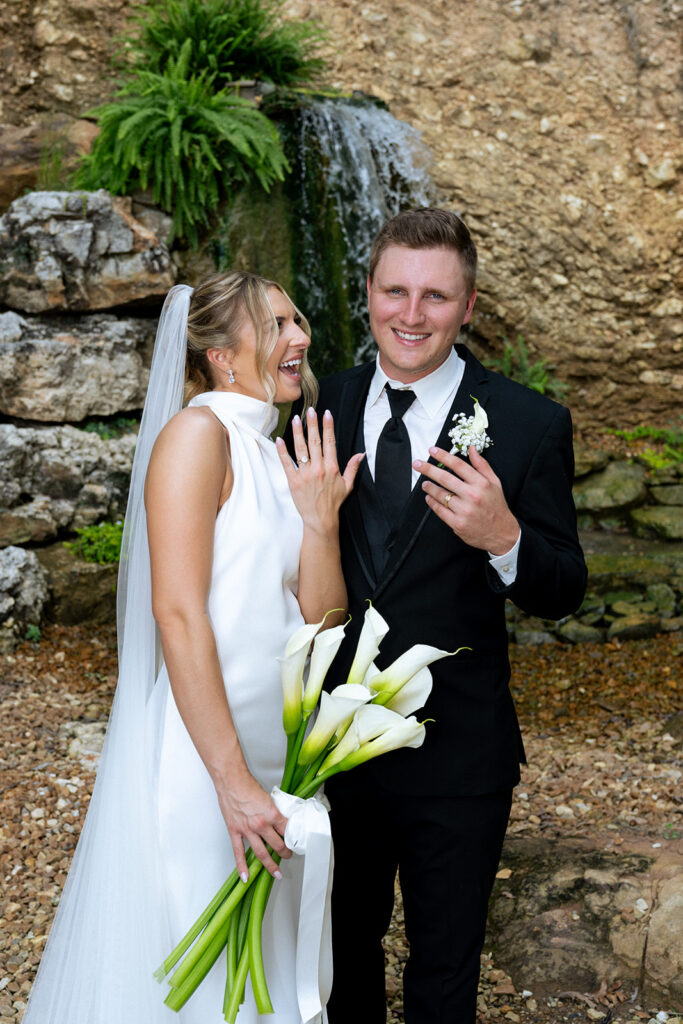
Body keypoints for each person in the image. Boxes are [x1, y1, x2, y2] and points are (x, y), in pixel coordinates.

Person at [22, 271, 363, 1024]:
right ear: (220, 354)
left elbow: (324, 626)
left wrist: (320, 521)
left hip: (280, 756)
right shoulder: (196, 436)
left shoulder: (277, 452)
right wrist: (232, 781)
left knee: (264, 968)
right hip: (208, 760)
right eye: (275, 324)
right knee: (195, 975)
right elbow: (176, 613)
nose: (300, 337)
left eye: (297, 318)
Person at [309, 208, 588, 1023]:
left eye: (435, 296)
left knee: (443, 973)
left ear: (467, 307)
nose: (410, 313)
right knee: (335, 962)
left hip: (458, 754)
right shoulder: (316, 403)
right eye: (394, 290)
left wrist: (504, 539)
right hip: (331, 745)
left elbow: (562, 589)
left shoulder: (531, 424)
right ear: (367, 295)